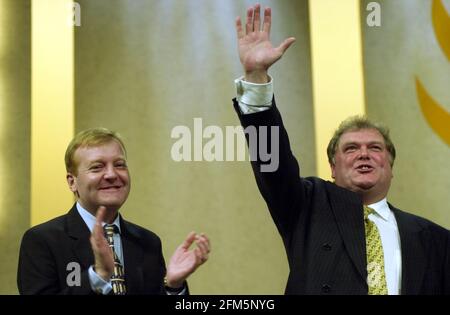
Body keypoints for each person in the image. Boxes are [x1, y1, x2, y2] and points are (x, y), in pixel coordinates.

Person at [233, 4, 449, 294]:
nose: (364, 154)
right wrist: (256, 78)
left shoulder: (434, 239)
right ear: (333, 168)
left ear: (390, 167)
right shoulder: (307, 207)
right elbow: (272, 163)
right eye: (351, 149)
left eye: (375, 148)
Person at [18, 128, 210, 295]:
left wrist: (173, 286)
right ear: (72, 182)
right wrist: (98, 277)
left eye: (119, 165)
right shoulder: (42, 241)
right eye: (97, 167)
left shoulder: (148, 242)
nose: (111, 174)